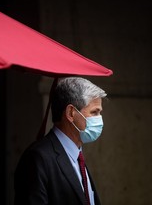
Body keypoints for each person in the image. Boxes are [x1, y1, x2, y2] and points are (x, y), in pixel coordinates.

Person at [14, 77, 107, 205]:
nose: (99, 119)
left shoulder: (77, 156)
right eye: (94, 112)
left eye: (99, 112)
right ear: (71, 113)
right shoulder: (38, 158)